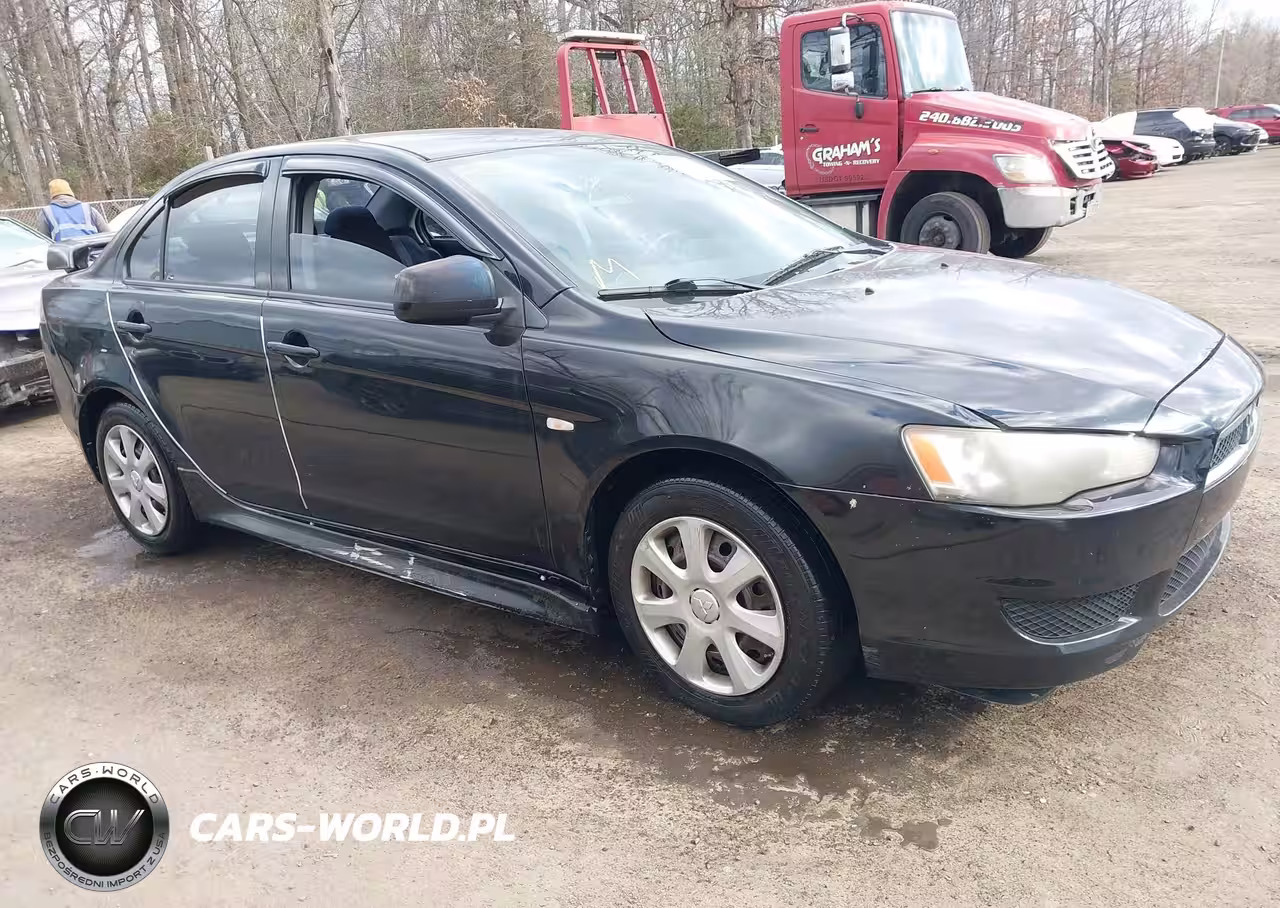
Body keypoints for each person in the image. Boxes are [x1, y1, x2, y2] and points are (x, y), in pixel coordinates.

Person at [36, 179, 108, 241]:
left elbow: (43, 242)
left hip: (65, 255)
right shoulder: (89, 209)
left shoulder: (46, 213)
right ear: (70, 193)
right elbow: (107, 234)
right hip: (95, 254)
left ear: (52, 195)